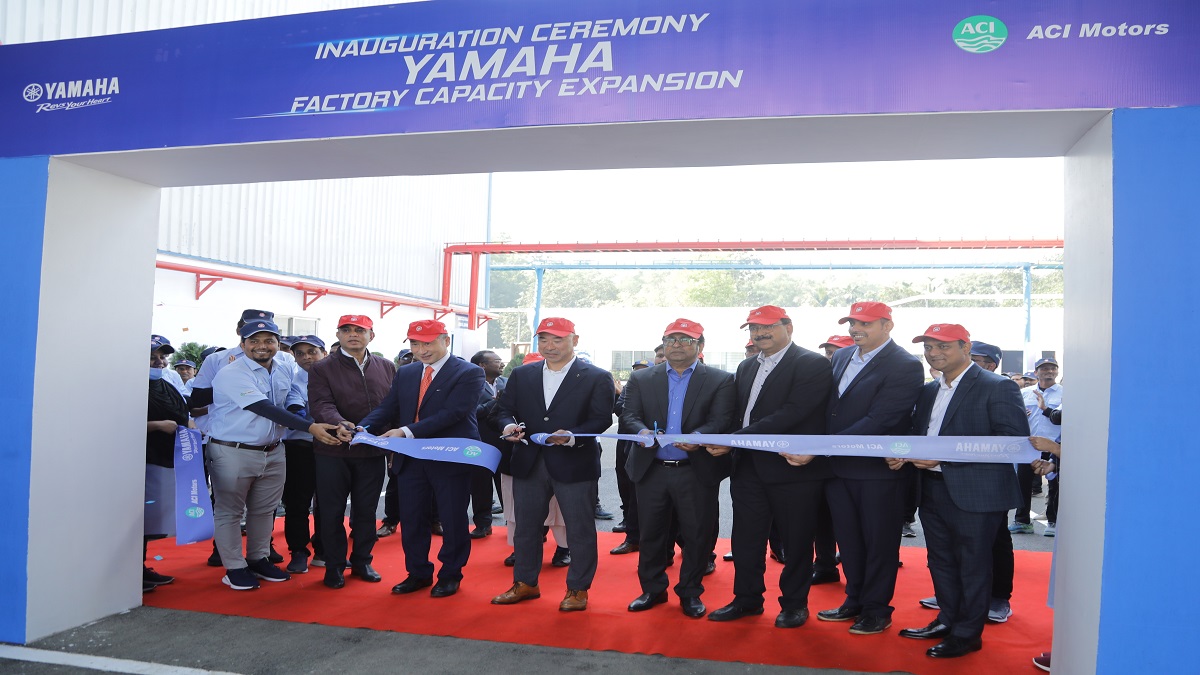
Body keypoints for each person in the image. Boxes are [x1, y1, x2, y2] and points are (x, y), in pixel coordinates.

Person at [896, 324, 1029, 658]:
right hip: (930, 487)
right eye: (928, 347)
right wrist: (903, 452)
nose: (933, 353)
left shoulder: (997, 386)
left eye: (943, 346)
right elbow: (921, 434)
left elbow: (1012, 442)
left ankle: (968, 634)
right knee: (940, 560)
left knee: (973, 564)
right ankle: (948, 620)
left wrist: (943, 457)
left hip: (977, 491)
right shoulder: (929, 390)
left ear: (965, 347)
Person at [706, 305, 833, 629]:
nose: (759, 334)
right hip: (748, 468)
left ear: (788, 327)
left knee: (797, 542)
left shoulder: (811, 363)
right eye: (753, 328)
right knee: (745, 540)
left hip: (792, 468)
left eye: (767, 327)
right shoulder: (747, 366)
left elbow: (793, 412)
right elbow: (739, 413)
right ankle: (746, 599)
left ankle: (794, 604)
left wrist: (734, 440)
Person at [491, 317, 615, 612]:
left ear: (575, 340)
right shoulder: (522, 374)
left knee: (579, 529)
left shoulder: (597, 377)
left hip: (574, 462)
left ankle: (578, 589)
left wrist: (572, 436)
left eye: (558, 339)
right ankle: (525, 582)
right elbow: (503, 410)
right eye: (544, 339)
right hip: (529, 461)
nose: (550, 346)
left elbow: (601, 419)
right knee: (526, 528)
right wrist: (508, 427)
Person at [207, 319, 341, 590]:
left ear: (278, 344)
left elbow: (290, 398)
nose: (262, 346)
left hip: (273, 450)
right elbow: (263, 407)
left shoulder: (282, 368)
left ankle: (258, 559)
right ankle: (234, 567)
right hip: (233, 451)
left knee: (264, 510)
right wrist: (310, 427)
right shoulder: (231, 372)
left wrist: (304, 414)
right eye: (254, 341)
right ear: (242, 344)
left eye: (269, 340)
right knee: (230, 512)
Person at [818, 302, 924, 635]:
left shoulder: (905, 364)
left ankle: (877, 610)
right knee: (849, 542)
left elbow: (882, 418)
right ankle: (854, 600)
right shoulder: (841, 356)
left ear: (887, 325)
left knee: (879, 544)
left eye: (864, 323)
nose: (855, 329)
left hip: (877, 472)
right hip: (837, 470)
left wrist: (824, 447)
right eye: (852, 322)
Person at [620, 319, 736, 618]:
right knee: (651, 533)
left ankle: (690, 592)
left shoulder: (720, 380)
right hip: (651, 469)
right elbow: (628, 414)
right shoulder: (642, 378)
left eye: (686, 340)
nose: (677, 345)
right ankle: (653, 589)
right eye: (671, 340)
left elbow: (722, 419)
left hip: (695, 470)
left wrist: (698, 437)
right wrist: (642, 431)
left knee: (697, 535)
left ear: (700, 346)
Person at [360, 320, 484, 598]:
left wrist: (405, 431)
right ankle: (417, 572)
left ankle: (450, 574)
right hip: (411, 458)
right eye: (415, 344)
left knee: (452, 518)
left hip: (449, 456)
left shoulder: (469, 372)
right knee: (412, 517)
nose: (421, 350)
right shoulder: (407, 372)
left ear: (446, 341)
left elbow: (454, 413)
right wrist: (362, 427)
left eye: (428, 343)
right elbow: (388, 406)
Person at [308, 316, 397, 588]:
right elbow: (320, 404)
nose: (353, 334)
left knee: (366, 511)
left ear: (372, 335)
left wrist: (394, 444)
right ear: (338, 335)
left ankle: (362, 561)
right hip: (333, 450)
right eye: (346, 330)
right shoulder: (322, 368)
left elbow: (393, 405)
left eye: (360, 330)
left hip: (372, 451)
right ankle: (334, 566)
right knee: (331, 511)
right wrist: (340, 424)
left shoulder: (386, 366)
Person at [145, 335, 190, 593]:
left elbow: (183, 414)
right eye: (152, 357)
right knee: (137, 519)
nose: (159, 362)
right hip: (143, 462)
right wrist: (157, 426)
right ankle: (131, 572)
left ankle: (139, 567)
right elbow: (118, 423)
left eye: (162, 357)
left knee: (150, 520)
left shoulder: (166, 386)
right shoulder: (129, 386)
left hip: (166, 460)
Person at [280, 335, 328, 575]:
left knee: (329, 502)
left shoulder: (336, 377)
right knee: (297, 503)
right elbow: (295, 411)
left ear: (324, 353)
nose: (306, 357)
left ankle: (324, 550)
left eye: (312, 351)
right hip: (299, 447)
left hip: (331, 447)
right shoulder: (292, 380)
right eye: (300, 353)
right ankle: (298, 551)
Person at [611, 357, 652, 550]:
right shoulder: (630, 387)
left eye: (643, 369)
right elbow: (620, 409)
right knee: (625, 482)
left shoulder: (656, 386)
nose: (639, 372)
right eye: (636, 369)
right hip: (626, 442)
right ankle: (628, 522)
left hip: (649, 444)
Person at [467, 350, 506, 538]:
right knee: (480, 487)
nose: (502, 364)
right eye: (497, 361)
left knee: (507, 487)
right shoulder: (469, 384)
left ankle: (514, 524)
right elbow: (469, 412)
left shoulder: (507, 383)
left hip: (506, 443)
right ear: (482, 365)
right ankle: (483, 524)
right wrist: (493, 404)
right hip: (480, 444)